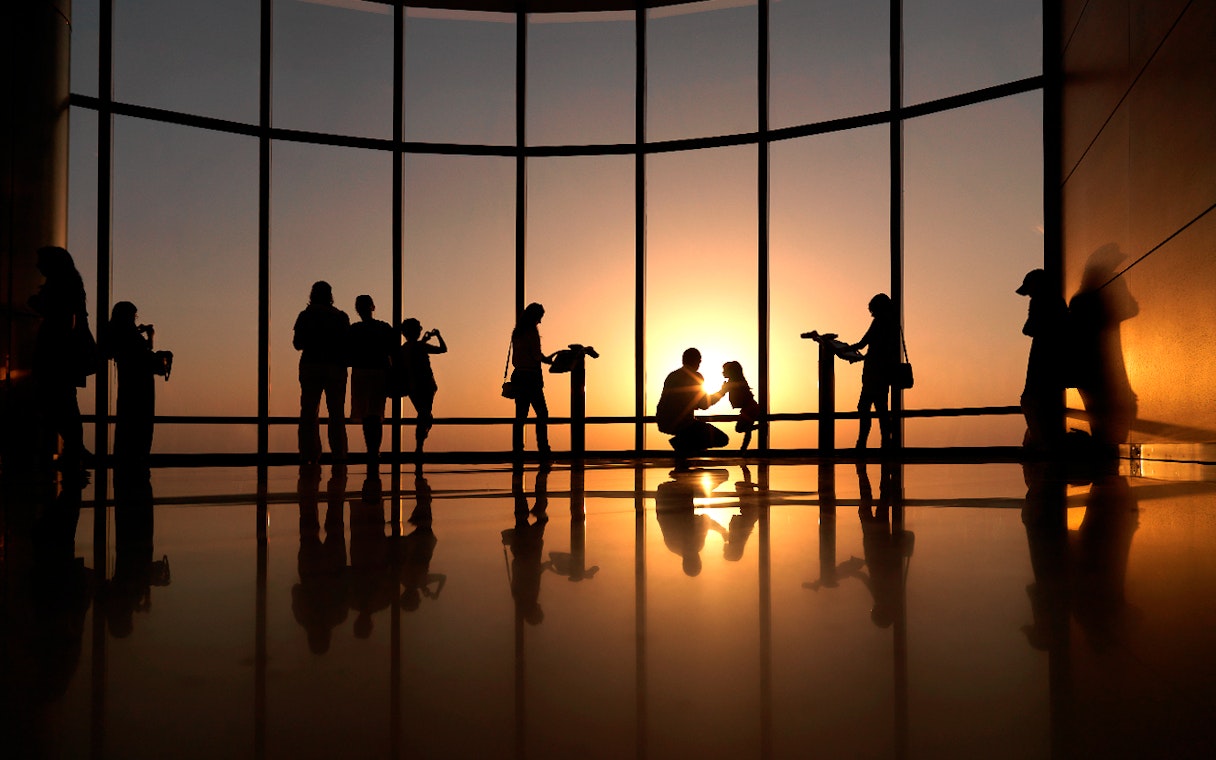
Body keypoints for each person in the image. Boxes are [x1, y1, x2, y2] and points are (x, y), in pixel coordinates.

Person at [28, 246, 93, 472]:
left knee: (55, 400)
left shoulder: (60, 288)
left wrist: (38, 305)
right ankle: (76, 448)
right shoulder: (72, 286)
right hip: (67, 353)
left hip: (58, 352)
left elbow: (61, 317)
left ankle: (75, 448)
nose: (38, 266)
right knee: (63, 401)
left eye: (42, 262)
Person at [293, 281, 350, 465]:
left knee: (309, 412)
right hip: (335, 368)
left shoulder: (305, 316)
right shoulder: (340, 317)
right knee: (336, 413)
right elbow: (346, 345)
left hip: (311, 366)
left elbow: (297, 344)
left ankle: (308, 454)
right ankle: (339, 454)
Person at [1016, 269, 1068, 454]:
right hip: (1053, 363)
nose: (1029, 294)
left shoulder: (1041, 302)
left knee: (1031, 400)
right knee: (1039, 402)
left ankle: (1044, 451)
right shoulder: (1058, 303)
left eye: (1030, 290)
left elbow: (1028, 328)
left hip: (1043, 360)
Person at [105, 301, 159, 462]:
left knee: (130, 422)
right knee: (140, 423)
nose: (134, 319)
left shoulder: (118, 333)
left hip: (129, 382)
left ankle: (129, 461)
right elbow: (143, 355)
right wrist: (149, 337)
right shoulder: (128, 335)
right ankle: (136, 461)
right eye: (133, 316)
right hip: (139, 384)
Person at [346, 295, 396, 463]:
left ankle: (371, 450)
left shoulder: (354, 330)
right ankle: (374, 451)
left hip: (361, 373)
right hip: (379, 373)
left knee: (367, 415)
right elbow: (393, 351)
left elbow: (347, 353)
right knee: (376, 414)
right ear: (372, 307)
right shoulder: (383, 328)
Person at [846, 293, 899, 451]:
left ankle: (861, 444)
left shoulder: (879, 323)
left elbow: (862, 343)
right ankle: (886, 443)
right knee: (881, 408)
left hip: (873, 373)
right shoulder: (891, 323)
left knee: (864, 407)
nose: (872, 314)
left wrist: (844, 349)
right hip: (883, 373)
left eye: (873, 311)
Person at [655, 348, 729, 460]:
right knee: (722, 439)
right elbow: (704, 404)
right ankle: (681, 443)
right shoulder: (696, 377)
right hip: (683, 423)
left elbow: (677, 400)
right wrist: (722, 392)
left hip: (664, 421)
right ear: (697, 361)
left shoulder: (672, 375)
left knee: (694, 438)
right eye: (699, 361)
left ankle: (684, 445)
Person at [509, 302, 555, 456]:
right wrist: (547, 360)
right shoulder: (532, 332)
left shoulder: (517, 332)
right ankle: (543, 448)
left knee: (520, 415)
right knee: (542, 413)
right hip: (531, 377)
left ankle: (518, 450)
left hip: (518, 376)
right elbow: (536, 355)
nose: (540, 321)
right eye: (540, 317)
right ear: (534, 316)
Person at [399, 318, 447, 455]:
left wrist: (424, 341)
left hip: (413, 386)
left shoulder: (404, 349)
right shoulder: (420, 346)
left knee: (423, 413)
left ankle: (420, 444)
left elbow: (413, 354)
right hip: (426, 384)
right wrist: (438, 336)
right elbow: (443, 349)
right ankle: (419, 445)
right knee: (425, 415)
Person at [721, 361, 762, 451]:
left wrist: (727, 387)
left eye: (724, 370)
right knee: (747, 430)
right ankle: (743, 450)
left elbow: (737, 386)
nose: (723, 372)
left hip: (749, 408)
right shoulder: (734, 382)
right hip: (749, 407)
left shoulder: (738, 382)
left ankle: (761, 427)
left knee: (740, 428)